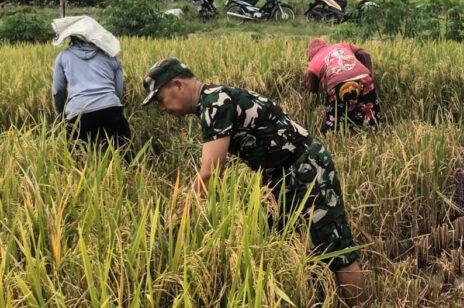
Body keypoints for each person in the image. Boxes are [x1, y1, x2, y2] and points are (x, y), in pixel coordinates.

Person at [141, 58, 365, 305]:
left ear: (177, 84)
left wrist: (180, 217)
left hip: (306, 168)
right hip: (280, 175)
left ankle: (363, 304)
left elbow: (210, 172)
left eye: (160, 99)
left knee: (335, 245)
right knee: (283, 239)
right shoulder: (212, 102)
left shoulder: (215, 103)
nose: (162, 107)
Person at [52, 15, 130, 148]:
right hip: (111, 112)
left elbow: (58, 91)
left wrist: (61, 115)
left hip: (78, 116)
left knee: (79, 163)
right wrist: (110, 106)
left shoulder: (63, 57)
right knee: (123, 159)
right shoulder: (111, 55)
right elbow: (118, 90)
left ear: (72, 37)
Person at [306, 37, 381, 133]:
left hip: (339, 84)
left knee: (335, 122)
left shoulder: (313, 63)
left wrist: (311, 107)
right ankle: (371, 128)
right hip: (364, 78)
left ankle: (335, 133)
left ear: (310, 52)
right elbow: (364, 54)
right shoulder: (342, 45)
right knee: (369, 110)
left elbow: (311, 91)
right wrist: (369, 73)